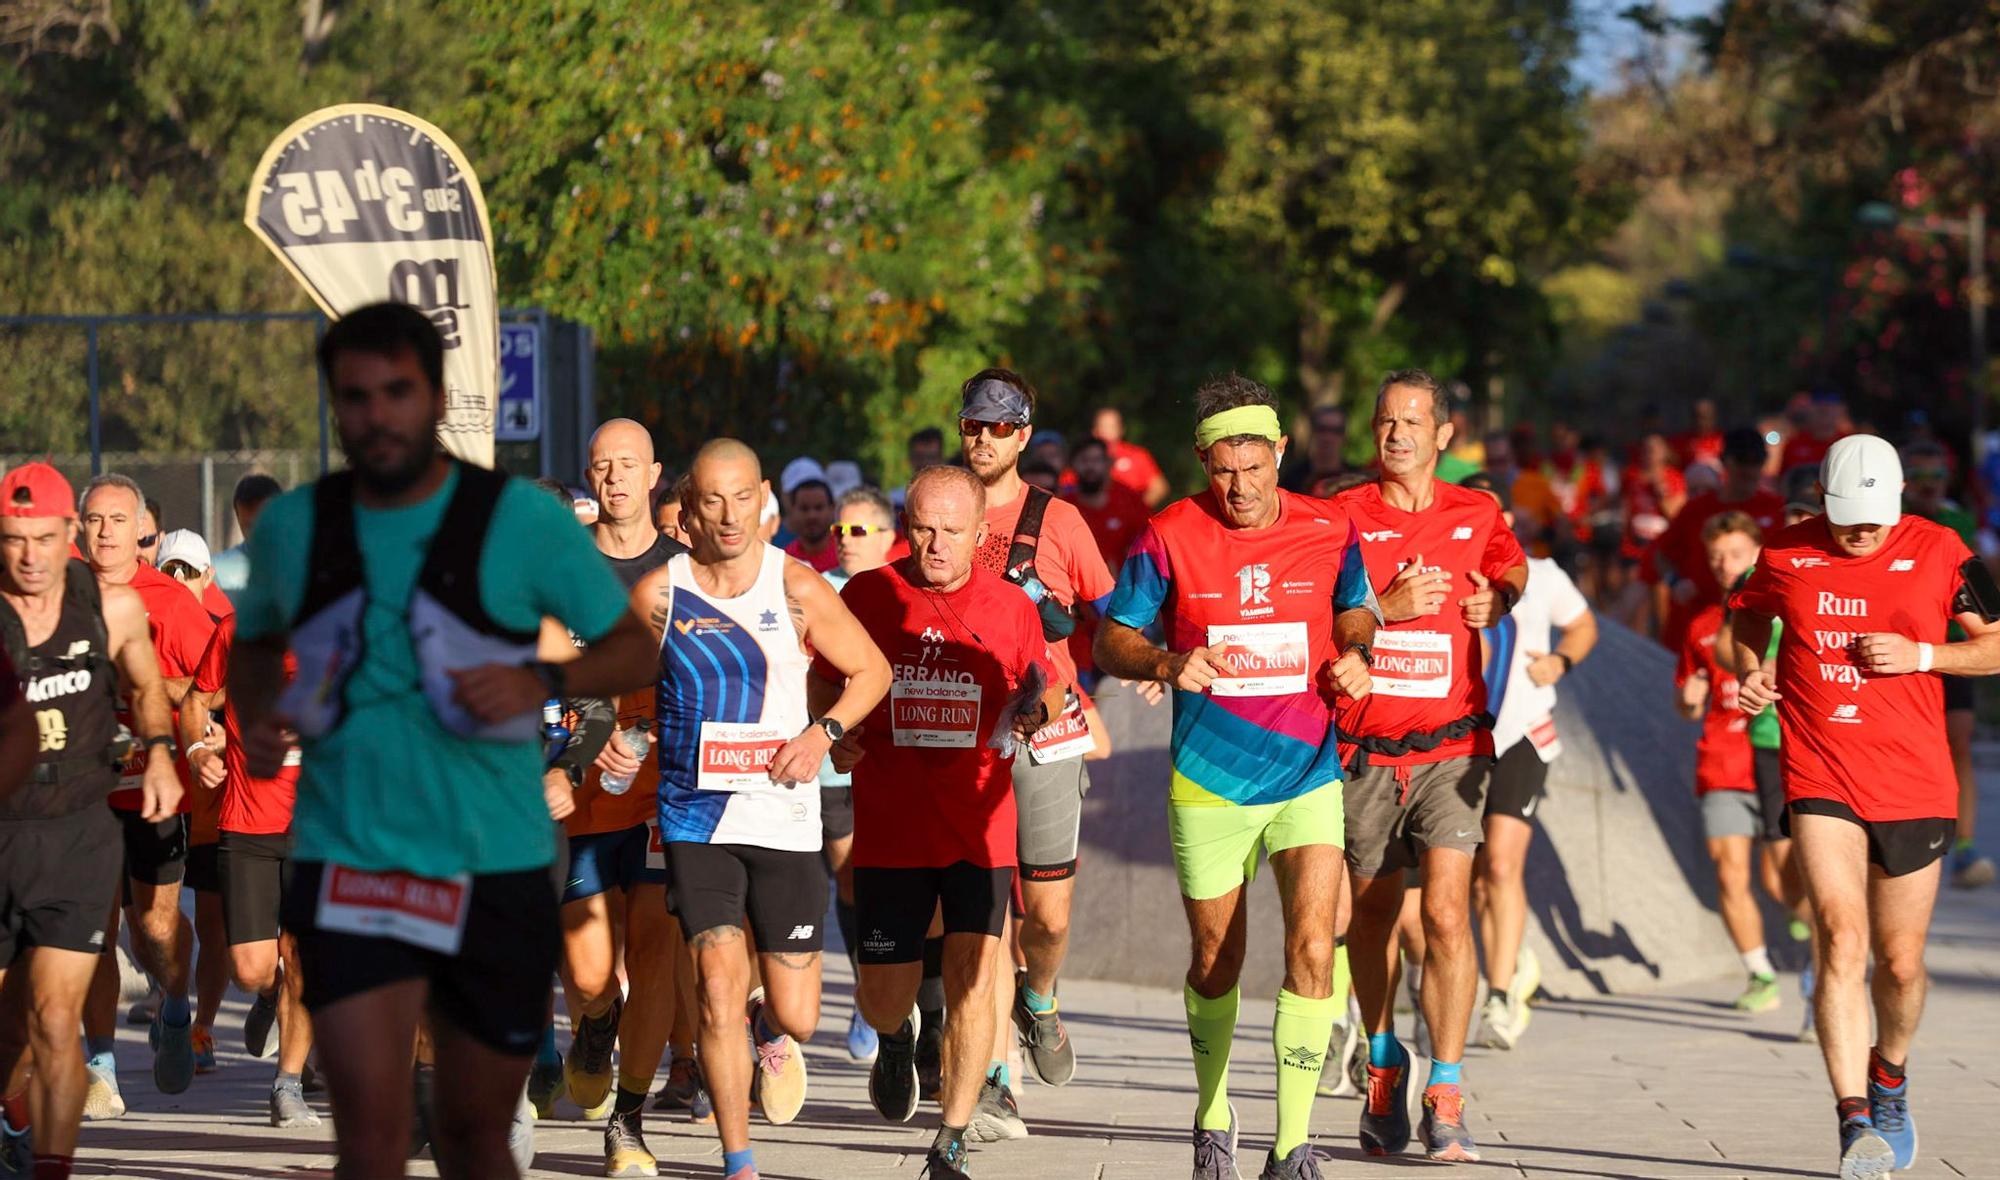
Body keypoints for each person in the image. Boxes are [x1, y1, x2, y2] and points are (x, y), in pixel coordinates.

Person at [230, 302, 659, 1179]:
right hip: (352, 855)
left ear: (434, 397)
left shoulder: (522, 523)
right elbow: (254, 645)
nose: (376, 414)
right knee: (375, 1137)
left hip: (490, 859)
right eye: (355, 396)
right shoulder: (294, 528)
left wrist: (541, 680)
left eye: (398, 391)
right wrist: (262, 721)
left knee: (472, 1133)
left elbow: (627, 647)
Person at [1095, 374, 1379, 1180]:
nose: (1241, 487)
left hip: (1307, 773)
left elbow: (1356, 605)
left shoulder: (1331, 526)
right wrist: (1166, 659)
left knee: (1313, 952)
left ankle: (1293, 1147)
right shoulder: (1168, 534)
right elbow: (1110, 639)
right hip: (1209, 779)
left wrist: (1354, 652)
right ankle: (1214, 1114)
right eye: (1224, 469)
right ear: (1201, 460)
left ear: (1282, 452)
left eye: (1256, 467)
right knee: (1216, 960)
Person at [1729, 434, 2000, 1177]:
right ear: (1822, 500)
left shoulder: (1942, 549)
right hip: (1822, 771)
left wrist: (1922, 655)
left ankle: (1889, 1076)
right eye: (1849, 520)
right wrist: (1750, 671)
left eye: (1876, 521)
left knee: (1902, 965)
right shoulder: (1784, 553)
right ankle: (1855, 1124)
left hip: (1915, 781)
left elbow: (1998, 644)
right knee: (1841, 942)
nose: (1863, 535)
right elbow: (1745, 619)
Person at [643, 438, 890, 1180]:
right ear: (688, 507)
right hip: (697, 816)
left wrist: (824, 734)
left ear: (764, 499)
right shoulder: (661, 593)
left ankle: (766, 1022)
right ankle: (738, 1159)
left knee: (799, 1014)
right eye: (711, 500)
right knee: (714, 986)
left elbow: (872, 670)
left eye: (741, 497)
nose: (727, 515)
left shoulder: (799, 585)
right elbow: (616, 677)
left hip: (784, 819)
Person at [834, 465, 1067, 1178]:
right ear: (907, 526)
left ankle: (953, 1138)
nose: (935, 544)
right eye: (923, 529)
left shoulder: (1009, 606)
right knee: (882, 998)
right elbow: (823, 677)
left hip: (978, 828)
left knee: (974, 975)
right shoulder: (869, 595)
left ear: (980, 534)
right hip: (892, 830)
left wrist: (1036, 712)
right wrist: (834, 728)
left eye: (952, 531)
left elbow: (1049, 685)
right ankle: (898, 1037)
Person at [1331, 368, 1527, 1164]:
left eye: (1413, 423)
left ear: (1445, 436)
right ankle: (1383, 1064)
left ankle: (1445, 1089)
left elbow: (1512, 567)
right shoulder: (1341, 513)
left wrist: (1499, 602)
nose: (1398, 435)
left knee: (1447, 911)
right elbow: (1321, 608)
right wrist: (1386, 608)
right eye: (1385, 422)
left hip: (1451, 745)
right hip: (1365, 750)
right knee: (1372, 918)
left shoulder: (1477, 511)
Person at [0, 461, 182, 1180]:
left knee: (52, 1019)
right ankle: (14, 1112)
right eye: (14, 539)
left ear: (67, 535)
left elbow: (145, 683)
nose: (29, 556)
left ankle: (50, 1167)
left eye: (44, 538)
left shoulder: (113, 608)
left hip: (78, 831)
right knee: (10, 1026)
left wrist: (163, 751)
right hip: (4, 829)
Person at [960, 369, 1118, 1135]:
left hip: (1049, 728)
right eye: (973, 426)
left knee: (1046, 919)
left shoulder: (1058, 520)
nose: (983, 440)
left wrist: (1140, 669)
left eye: (999, 428)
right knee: (986, 917)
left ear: (1023, 435)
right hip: (962, 737)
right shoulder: (936, 510)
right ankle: (995, 1080)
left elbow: (1113, 612)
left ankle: (1042, 998)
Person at [547, 418, 695, 1177]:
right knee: (593, 973)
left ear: (654, 475)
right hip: (580, 803)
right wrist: (578, 732)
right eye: (602, 466)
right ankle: (596, 1022)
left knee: (656, 954)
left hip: (663, 801)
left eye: (628, 465)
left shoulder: (686, 571)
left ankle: (630, 1125)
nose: (614, 479)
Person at [77, 472, 216, 1112]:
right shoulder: (63, 591)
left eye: (117, 521)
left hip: (156, 788)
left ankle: (176, 1004)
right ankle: (102, 1067)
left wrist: (141, 689)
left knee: (154, 928)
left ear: (141, 530)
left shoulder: (170, 598)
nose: (105, 532)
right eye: (95, 520)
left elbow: (203, 689)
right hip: (84, 794)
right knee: (94, 932)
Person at [1461, 472, 1595, 1051]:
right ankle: (1512, 960)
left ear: (1509, 523)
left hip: (1523, 734)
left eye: (1496, 515)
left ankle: (1499, 994)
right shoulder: (1444, 574)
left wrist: (1560, 662)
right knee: (1470, 878)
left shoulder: (1541, 575)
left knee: (1502, 868)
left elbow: (1584, 625)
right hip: (1462, 737)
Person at [179, 610, 320, 1127]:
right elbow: (196, 699)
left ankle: (287, 1087)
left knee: (301, 957)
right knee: (251, 969)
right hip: (248, 823)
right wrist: (197, 749)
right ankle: (269, 994)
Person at [1676, 512, 1784, 1013]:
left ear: (1759, 553)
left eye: (1736, 555)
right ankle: (1760, 972)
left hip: (1780, 760)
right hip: (1721, 763)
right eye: (1717, 557)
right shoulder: (1700, 624)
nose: (1725, 565)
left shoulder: (1785, 615)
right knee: (1729, 871)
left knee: (1780, 879)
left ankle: (1817, 953)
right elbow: (1685, 700)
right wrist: (1690, 697)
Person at [823, 486, 901, 1064]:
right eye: (838, 532)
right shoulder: (817, 589)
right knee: (850, 877)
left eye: (857, 532)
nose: (845, 542)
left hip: (898, 762)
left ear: (887, 537)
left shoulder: (906, 589)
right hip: (835, 766)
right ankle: (866, 990)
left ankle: (891, 989)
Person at [1901, 441, 1996, 890]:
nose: (1928, 487)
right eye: (1919, 478)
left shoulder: (1958, 521)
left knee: (1958, 741)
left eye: (1936, 478)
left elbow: (1979, 582)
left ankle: (1965, 846)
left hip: (1952, 647)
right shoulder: (1887, 516)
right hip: (1900, 646)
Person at [155, 533, 233, 1076]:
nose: (179, 580)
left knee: (213, 922)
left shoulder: (223, 626)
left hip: (212, 804)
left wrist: (155, 686)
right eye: (170, 570)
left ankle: (201, 1026)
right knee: (150, 923)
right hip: (155, 797)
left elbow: (221, 699)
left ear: (208, 578)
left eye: (190, 570)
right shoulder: (142, 615)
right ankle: (172, 1000)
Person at [1647, 427, 1784, 658]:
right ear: (1724, 462)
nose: (1749, 470)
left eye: (1757, 461)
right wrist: (1674, 582)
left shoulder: (1776, 508)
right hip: (1698, 622)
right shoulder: (1696, 508)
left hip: (1755, 623)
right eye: (1742, 460)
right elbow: (1661, 554)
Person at [1062, 437, 1150, 571]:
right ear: (1072, 464)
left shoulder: (1129, 502)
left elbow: (1147, 548)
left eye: (1096, 460)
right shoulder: (1062, 508)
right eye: (1084, 460)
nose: (1090, 466)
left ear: (1107, 464)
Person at [211, 474, 284, 597]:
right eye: (248, 526)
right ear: (238, 519)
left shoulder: (307, 563)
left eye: (263, 523)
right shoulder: (215, 571)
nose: (257, 533)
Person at [1092, 407, 1170, 507]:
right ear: (1095, 431)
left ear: (1121, 429)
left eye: (1113, 426)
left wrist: (1136, 510)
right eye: (1104, 427)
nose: (1108, 432)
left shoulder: (1137, 455)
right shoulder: (1087, 460)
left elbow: (1159, 487)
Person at [1278, 403, 1349, 497]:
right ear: (1312, 432)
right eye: (1322, 429)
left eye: (1335, 430)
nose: (1328, 437)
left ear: (1344, 435)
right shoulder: (1292, 478)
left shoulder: (1354, 479)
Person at [783, 479, 840, 575]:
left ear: (832, 509)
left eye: (819, 508)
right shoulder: (785, 559)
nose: (812, 516)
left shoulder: (845, 555)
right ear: (792, 511)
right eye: (804, 508)